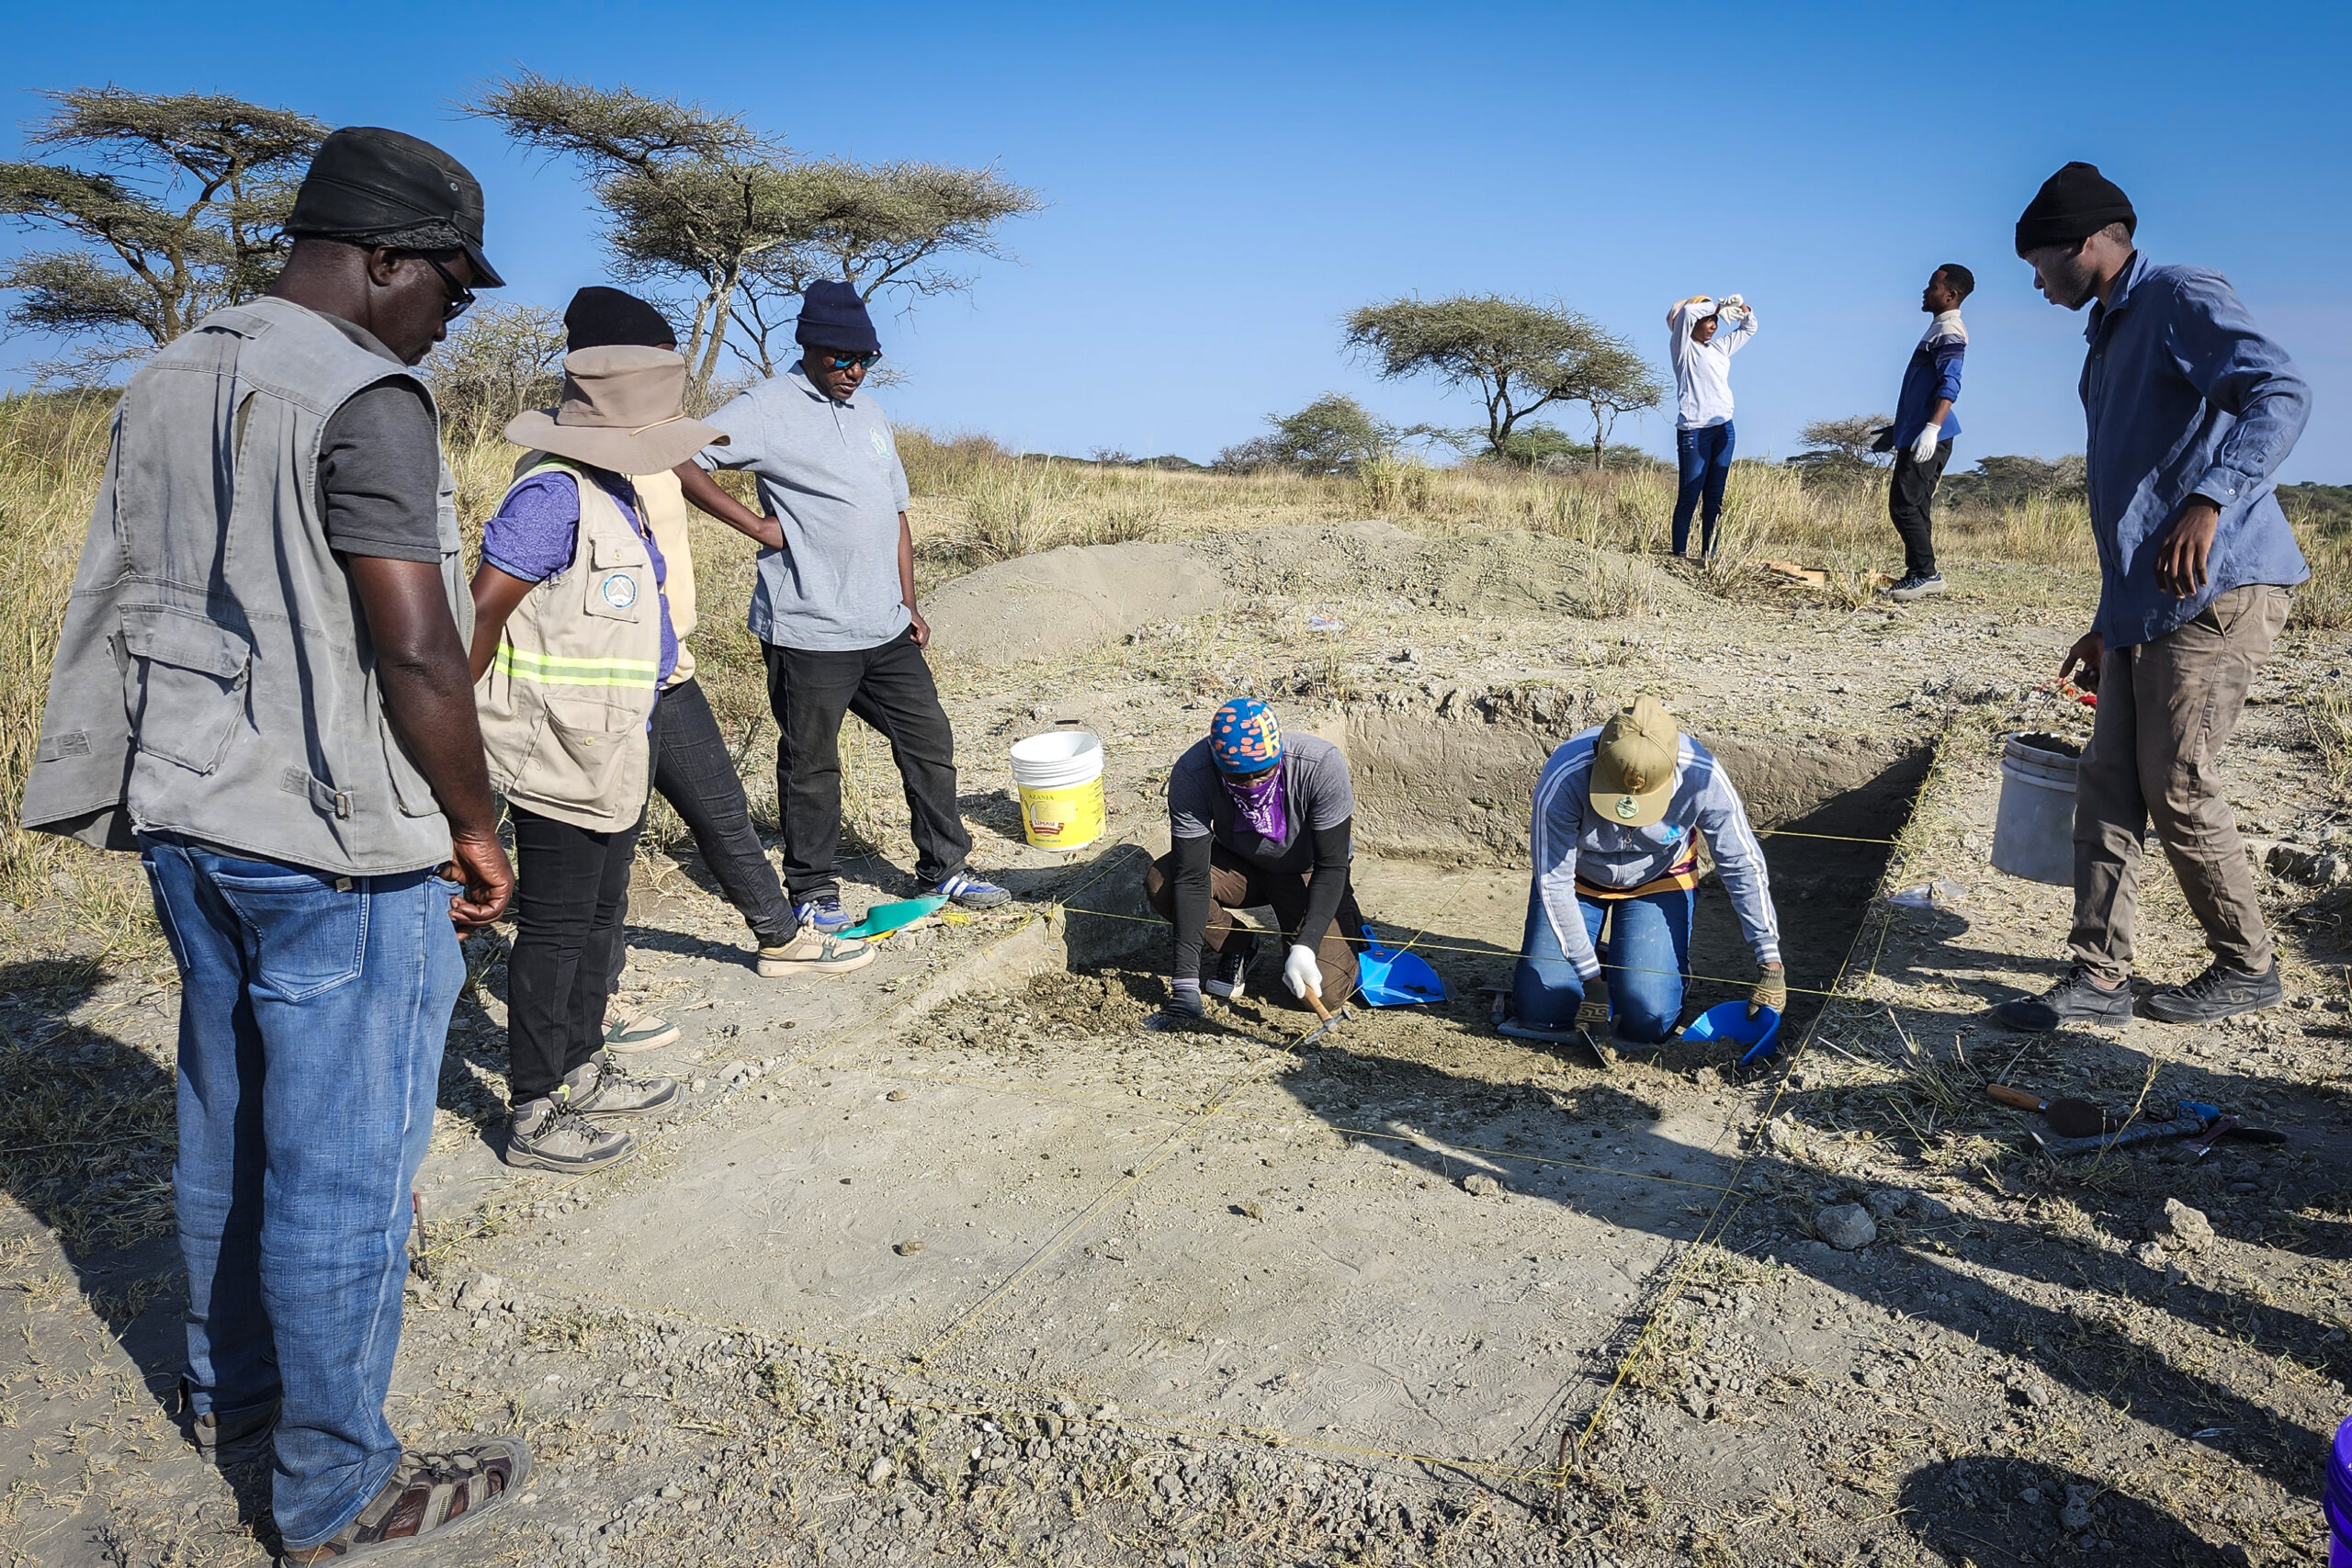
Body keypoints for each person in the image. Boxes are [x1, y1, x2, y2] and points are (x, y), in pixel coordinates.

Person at [21, 128, 527, 1562]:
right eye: (452, 286)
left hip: (189, 811)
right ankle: (332, 1487)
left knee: (227, 1122)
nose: (454, 316)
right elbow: (416, 648)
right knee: (343, 1166)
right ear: (383, 261)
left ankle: (231, 1397)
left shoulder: (172, 370)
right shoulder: (366, 395)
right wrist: (473, 822)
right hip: (330, 841)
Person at [1995, 163, 2311, 1032]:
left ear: (2084, 244)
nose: (2036, 283)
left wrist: (2213, 498)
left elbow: (2281, 391)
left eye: (2039, 264)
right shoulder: (2106, 336)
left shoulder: (2178, 295)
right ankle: (2099, 975)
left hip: (2219, 587)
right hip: (2148, 601)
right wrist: (2108, 621)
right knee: (2108, 781)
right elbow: (2132, 496)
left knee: (2176, 780)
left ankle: (2247, 965)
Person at [554, 290, 874, 1057]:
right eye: (658, 363)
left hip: (671, 669)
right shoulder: (568, 461)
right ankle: (593, 1003)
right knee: (609, 850)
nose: (673, 375)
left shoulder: (655, 442)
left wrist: (760, 525)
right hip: (608, 686)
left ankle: (782, 938)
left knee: (725, 812)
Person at [676, 279, 1009, 932]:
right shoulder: (765, 406)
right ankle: (811, 890)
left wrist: (909, 601)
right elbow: (682, 459)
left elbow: (896, 513)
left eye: (866, 360)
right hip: (809, 628)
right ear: (809, 347)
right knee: (812, 764)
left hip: (883, 625)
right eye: (842, 358)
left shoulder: (871, 413)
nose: (855, 371)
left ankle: (944, 868)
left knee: (929, 740)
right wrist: (757, 525)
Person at [470, 344, 728, 1171]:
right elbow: (478, 619)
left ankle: (581, 1066)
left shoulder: (613, 488)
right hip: (557, 750)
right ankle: (534, 1106)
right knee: (554, 929)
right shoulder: (551, 496)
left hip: (615, 742)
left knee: (599, 917)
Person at [1509, 697, 1785, 1043]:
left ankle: (1653, 969)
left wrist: (1769, 958)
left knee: (1648, 1019)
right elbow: (1554, 883)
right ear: (1597, 755)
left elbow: (1741, 862)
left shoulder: (1702, 775)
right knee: (1544, 1011)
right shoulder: (1565, 777)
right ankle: (1599, 963)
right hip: (1579, 880)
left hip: (1659, 879)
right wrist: (1591, 981)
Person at [1144, 698, 1363, 1021]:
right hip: (1240, 865)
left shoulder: (1318, 765)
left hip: (1306, 872)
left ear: (1279, 755)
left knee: (1323, 993)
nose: (1251, 787)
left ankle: (1334, 924)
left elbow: (1332, 866)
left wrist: (1307, 944)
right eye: (1237, 779)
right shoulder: (1194, 773)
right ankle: (1239, 945)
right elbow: (1191, 878)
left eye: (1262, 775)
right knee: (1163, 883)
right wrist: (1185, 985)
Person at [1881, 264, 1973, 603]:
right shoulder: (1937, 328)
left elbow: (1950, 383)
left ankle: (1926, 574)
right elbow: (1922, 389)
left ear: (1950, 295)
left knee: (1904, 506)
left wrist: (1932, 428)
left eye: (1933, 286)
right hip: (1917, 432)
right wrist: (1897, 430)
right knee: (1915, 506)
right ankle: (1919, 573)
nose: (1925, 291)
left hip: (1931, 435)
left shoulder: (1950, 330)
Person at [1666, 293, 1758, 558]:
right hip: (1694, 430)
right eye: (1708, 319)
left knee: (1714, 497)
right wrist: (1718, 306)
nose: (1714, 325)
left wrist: (1741, 306)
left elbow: (1749, 328)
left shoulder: (1719, 348)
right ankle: (1679, 556)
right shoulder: (1682, 348)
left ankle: (1710, 556)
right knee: (1689, 495)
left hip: (1724, 428)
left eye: (1716, 320)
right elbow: (1685, 313)